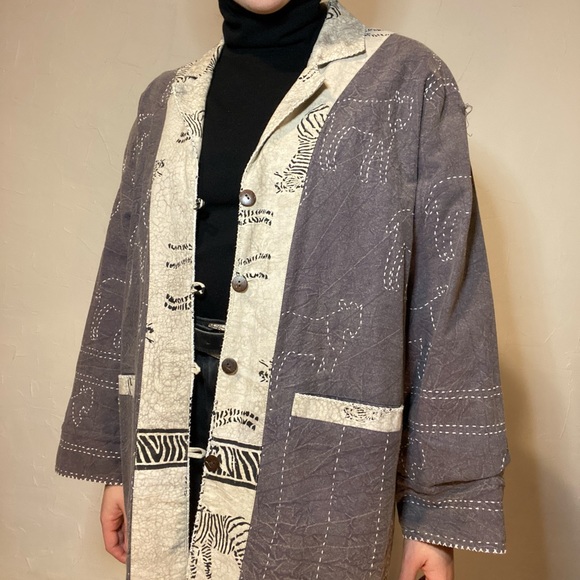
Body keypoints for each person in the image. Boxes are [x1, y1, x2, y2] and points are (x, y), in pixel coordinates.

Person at [56, 1, 509, 579]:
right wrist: (121, 461)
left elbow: (449, 303)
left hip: (311, 448)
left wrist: (434, 513)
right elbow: (123, 280)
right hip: (171, 421)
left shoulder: (406, 81)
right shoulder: (166, 100)